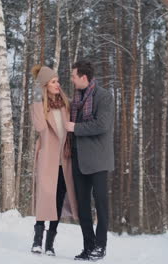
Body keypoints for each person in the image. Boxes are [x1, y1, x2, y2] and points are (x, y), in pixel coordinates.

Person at [65, 60, 115, 261]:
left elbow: (101, 125)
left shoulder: (104, 97)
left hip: (99, 159)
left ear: (84, 77)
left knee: (101, 204)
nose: (72, 79)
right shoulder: (75, 99)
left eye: (73, 76)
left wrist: (75, 128)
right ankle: (89, 246)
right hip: (78, 158)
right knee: (82, 205)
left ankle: (100, 246)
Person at [30, 65, 78, 256]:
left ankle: (50, 244)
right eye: (53, 81)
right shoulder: (40, 105)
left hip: (64, 160)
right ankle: (37, 240)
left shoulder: (66, 104)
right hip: (48, 158)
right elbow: (41, 127)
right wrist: (36, 99)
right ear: (45, 85)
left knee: (58, 199)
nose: (58, 84)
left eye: (57, 80)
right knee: (45, 197)